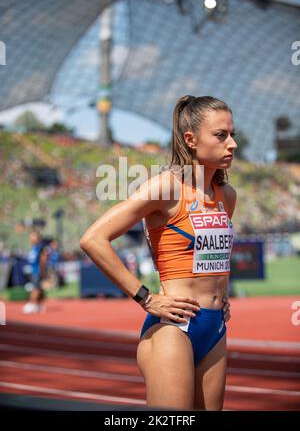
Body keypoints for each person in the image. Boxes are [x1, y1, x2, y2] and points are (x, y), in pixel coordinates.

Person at [80, 95, 237, 410]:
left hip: (216, 327)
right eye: (220, 135)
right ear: (191, 140)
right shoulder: (167, 187)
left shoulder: (227, 195)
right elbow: (94, 238)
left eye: (232, 134)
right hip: (173, 329)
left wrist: (222, 295)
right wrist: (146, 297)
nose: (231, 144)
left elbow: (210, 257)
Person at [22, 231, 48, 314]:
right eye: (31, 236)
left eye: (33, 236)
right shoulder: (33, 247)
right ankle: (38, 304)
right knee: (37, 288)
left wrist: (43, 273)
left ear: (38, 238)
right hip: (32, 271)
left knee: (35, 289)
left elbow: (43, 261)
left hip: (37, 271)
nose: (31, 238)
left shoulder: (41, 248)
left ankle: (32, 304)